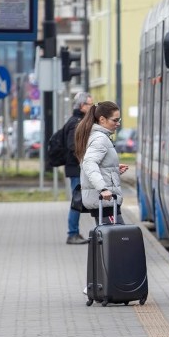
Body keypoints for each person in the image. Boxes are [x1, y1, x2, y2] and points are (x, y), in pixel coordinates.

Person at [74, 101, 129, 225]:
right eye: (115, 120)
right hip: (106, 202)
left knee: (110, 240)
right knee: (119, 239)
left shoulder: (96, 136)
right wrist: (103, 189)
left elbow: (96, 163)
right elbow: (89, 163)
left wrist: (113, 169)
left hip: (104, 202)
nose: (118, 123)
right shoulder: (100, 139)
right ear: (102, 119)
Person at [63, 91, 93, 244]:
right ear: (82, 106)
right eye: (90, 104)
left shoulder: (79, 120)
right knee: (77, 200)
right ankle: (72, 233)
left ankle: (74, 232)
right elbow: (72, 146)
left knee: (79, 200)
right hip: (76, 169)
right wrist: (85, 160)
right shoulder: (76, 123)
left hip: (76, 167)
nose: (92, 107)